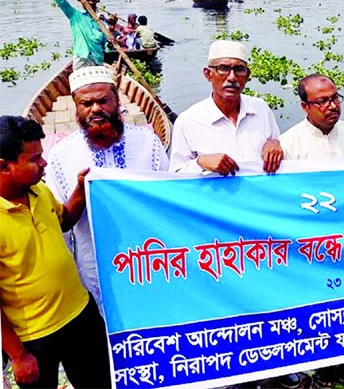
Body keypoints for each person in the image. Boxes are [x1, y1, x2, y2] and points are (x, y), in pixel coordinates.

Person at [0, 115, 111, 389]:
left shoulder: (38, 190)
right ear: (4, 166)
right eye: (34, 158)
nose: (44, 163)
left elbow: (64, 220)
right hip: (34, 337)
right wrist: (18, 355)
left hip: (80, 315)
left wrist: (81, 189)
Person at [46, 66, 169, 309]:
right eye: (86, 104)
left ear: (117, 100)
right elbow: (59, 221)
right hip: (93, 264)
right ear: (76, 107)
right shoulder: (62, 155)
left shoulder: (146, 141)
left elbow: (167, 198)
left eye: (103, 101)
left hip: (149, 257)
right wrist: (82, 190)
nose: (95, 109)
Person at [170, 40, 283, 175]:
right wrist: (200, 163)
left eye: (239, 70)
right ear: (208, 74)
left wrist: (275, 143)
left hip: (258, 194)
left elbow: (275, 144)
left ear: (247, 76)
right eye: (223, 68)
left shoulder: (261, 109)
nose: (232, 78)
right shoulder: (188, 120)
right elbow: (175, 175)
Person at [281, 74, 344, 161]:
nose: (333, 106)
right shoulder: (288, 144)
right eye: (322, 101)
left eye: (335, 98)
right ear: (305, 106)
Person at [53, 0, 107, 69]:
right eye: (87, 0)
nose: (90, 3)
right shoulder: (75, 15)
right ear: (82, 2)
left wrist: (110, 45)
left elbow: (105, 44)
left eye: (92, 0)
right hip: (82, 60)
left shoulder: (100, 23)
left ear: (96, 2)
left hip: (98, 61)